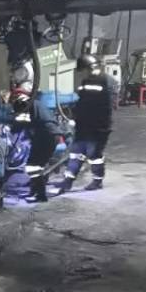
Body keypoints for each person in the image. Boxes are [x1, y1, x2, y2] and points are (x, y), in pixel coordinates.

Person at [55, 54, 116, 193]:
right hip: (83, 125)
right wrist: (75, 118)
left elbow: (105, 107)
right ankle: (68, 181)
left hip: (97, 127)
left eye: (83, 70)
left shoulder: (105, 81)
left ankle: (97, 181)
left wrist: (102, 126)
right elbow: (81, 103)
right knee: (75, 153)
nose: (82, 73)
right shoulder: (86, 81)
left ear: (90, 68)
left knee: (94, 155)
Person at [7, 86, 66, 203]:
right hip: (50, 135)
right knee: (37, 165)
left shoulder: (24, 103)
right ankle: (34, 191)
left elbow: (21, 120)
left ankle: (40, 196)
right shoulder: (35, 103)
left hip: (45, 136)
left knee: (32, 166)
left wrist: (10, 126)